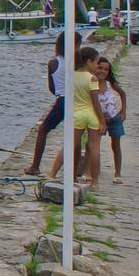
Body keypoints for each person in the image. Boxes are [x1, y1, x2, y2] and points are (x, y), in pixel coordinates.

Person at [48, 45, 105, 187]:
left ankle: (52, 174)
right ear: (88, 62)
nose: (97, 66)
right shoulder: (92, 78)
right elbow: (95, 102)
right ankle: (95, 182)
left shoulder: (70, 76)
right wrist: (102, 121)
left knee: (69, 145)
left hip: (76, 113)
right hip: (91, 113)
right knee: (94, 148)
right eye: (96, 63)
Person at [24, 32, 76, 175]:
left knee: (43, 130)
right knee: (76, 134)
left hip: (63, 100)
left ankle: (35, 166)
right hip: (79, 100)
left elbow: (52, 88)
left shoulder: (54, 62)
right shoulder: (77, 62)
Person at [95, 56, 126, 184]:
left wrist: (123, 111)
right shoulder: (91, 83)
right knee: (93, 145)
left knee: (116, 145)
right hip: (97, 119)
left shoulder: (111, 84)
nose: (102, 71)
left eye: (106, 69)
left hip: (114, 118)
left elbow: (123, 94)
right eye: (100, 68)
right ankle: (89, 171)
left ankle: (117, 172)